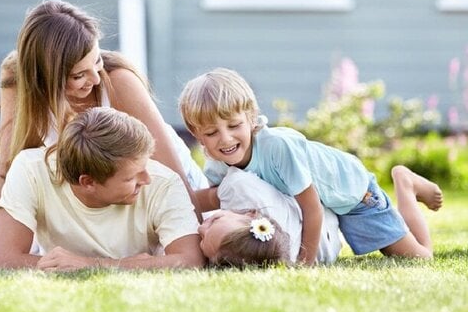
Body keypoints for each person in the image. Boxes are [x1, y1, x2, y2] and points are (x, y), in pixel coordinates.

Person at [0, 0, 207, 263]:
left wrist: (191, 240)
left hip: (159, 178)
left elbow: (171, 174)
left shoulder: (117, 80)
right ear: (46, 77)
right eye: (79, 74)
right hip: (99, 194)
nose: (95, 79)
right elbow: (5, 170)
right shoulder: (16, 82)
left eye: (97, 60)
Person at [179, 68, 443, 265]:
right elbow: (209, 199)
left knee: (418, 256)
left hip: (352, 192)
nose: (225, 139)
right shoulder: (218, 163)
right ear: (196, 133)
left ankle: (405, 182)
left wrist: (305, 264)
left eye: (234, 126)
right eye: (212, 132)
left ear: (250, 118)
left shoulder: (276, 148)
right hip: (327, 201)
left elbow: (312, 208)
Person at [0, 107, 206, 270]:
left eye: (145, 164)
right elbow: (2, 259)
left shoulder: (164, 182)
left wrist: (90, 264)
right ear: (88, 182)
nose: (147, 178)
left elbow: (190, 260)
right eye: (131, 176)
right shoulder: (31, 169)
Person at [198, 166, 342, 267]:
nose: (200, 227)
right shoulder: (242, 188)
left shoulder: (238, 187)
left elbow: (200, 200)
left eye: (202, 241)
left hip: (328, 239)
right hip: (325, 228)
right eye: (214, 219)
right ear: (251, 213)